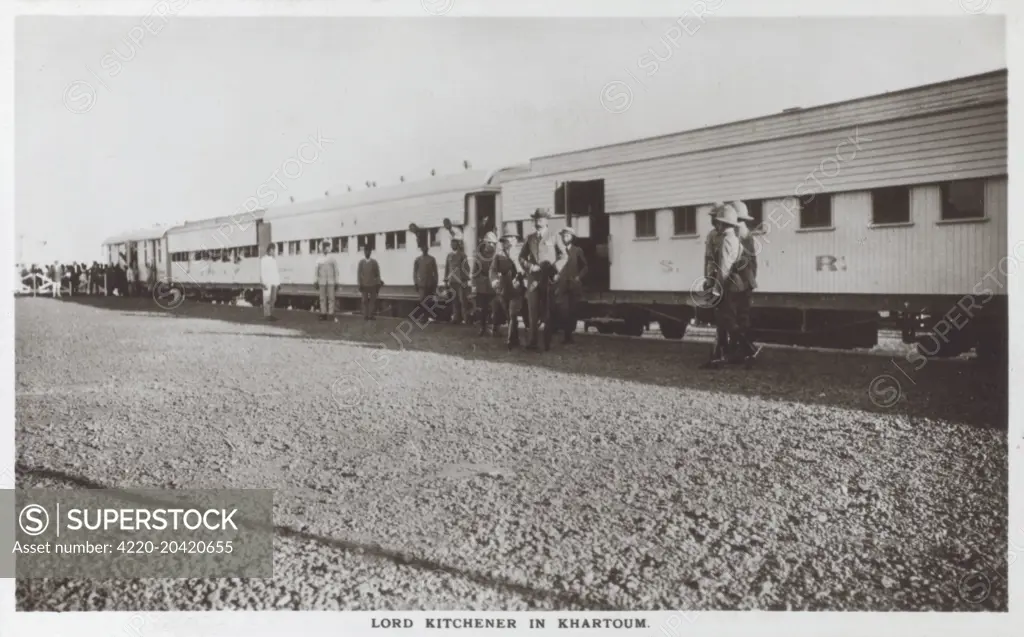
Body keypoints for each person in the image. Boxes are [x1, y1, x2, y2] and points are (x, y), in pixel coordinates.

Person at [518, 208, 565, 351]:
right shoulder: (530, 238)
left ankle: (546, 343)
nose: (538, 222)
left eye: (541, 219)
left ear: (546, 221)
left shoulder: (554, 236)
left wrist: (555, 270)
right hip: (533, 280)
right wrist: (530, 267)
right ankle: (532, 342)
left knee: (547, 311)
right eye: (536, 219)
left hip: (548, 278)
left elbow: (564, 256)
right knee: (532, 311)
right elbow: (521, 257)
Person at [730, 200, 763, 363]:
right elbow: (753, 263)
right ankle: (743, 350)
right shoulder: (747, 233)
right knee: (743, 318)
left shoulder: (735, 234)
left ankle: (743, 350)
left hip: (737, 283)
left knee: (733, 317)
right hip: (747, 282)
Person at [703, 203, 729, 364]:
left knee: (727, 317)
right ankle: (720, 349)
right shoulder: (712, 235)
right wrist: (708, 279)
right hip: (716, 280)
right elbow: (708, 259)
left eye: (715, 217)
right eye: (713, 217)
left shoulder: (730, 235)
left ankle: (724, 350)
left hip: (729, 281)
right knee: (719, 317)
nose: (713, 220)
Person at [490, 232, 525, 349]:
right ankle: (515, 339)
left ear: (515, 241)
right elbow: (493, 270)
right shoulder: (498, 255)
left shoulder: (521, 254)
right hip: (504, 288)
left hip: (517, 287)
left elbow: (524, 271)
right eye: (505, 241)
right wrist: (495, 282)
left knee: (513, 313)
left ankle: (510, 341)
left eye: (510, 240)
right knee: (509, 315)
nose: (508, 243)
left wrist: (515, 261)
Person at [554, 227, 588, 344]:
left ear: (572, 238)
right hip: (561, 285)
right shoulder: (558, 251)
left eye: (567, 236)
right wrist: (555, 276)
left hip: (573, 285)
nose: (565, 238)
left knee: (572, 310)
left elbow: (585, 266)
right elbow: (553, 265)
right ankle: (565, 334)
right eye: (563, 236)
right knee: (563, 310)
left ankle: (569, 335)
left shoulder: (577, 250)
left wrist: (579, 277)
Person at [473, 232, 499, 336]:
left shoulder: (497, 256)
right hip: (482, 286)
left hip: (493, 285)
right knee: (482, 309)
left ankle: (495, 328)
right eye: (489, 243)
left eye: (493, 243)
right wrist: (476, 284)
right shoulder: (479, 256)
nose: (491, 245)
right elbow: (475, 271)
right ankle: (482, 328)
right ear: (485, 243)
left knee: (495, 308)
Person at [443, 230, 470, 325]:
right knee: (454, 301)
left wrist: (465, 279)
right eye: (451, 243)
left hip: (461, 281)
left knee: (463, 300)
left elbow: (466, 268)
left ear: (458, 244)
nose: (453, 244)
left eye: (454, 243)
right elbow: (447, 268)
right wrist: (445, 280)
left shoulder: (462, 255)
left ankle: (465, 319)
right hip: (452, 281)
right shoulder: (449, 256)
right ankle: (456, 318)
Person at [314, 239, 339, 321]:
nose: (325, 249)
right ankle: (323, 314)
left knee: (331, 298)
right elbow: (316, 271)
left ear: (328, 248)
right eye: (324, 247)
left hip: (331, 281)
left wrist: (337, 282)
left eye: (327, 247)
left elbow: (336, 270)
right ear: (322, 248)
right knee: (322, 298)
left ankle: (331, 314)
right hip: (322, 281)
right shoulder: (318, 259)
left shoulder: (332, 258)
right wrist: (315, 281)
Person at [413, 240, 439, 318]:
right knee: (422, 300)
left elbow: (435, 272)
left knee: (430, 301)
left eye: (426, 248)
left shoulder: (432, 259)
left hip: (430, 283)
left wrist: (435, 282)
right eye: (423, 248)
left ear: (428, 249)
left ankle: (429, 316)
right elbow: (415, 272)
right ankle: (423, 316)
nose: (424, 249)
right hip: (421, 284)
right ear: (421, 249)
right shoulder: (418, 259)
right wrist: (416, 282)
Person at [357, 243, 382, 320]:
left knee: (372, 301)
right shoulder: (361, 262)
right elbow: (359, 274)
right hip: (364, 285)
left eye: (368, 251)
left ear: (370, 252)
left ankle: (370, 315)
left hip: (373, 285)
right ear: (364, 252)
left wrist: (378, 283)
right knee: (364, 301)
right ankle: (365, 315)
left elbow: (377, 274)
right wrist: (359, 284)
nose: (367, 253)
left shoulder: (374, 262)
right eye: (365, 251)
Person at [260, 244, 281, 321]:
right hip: (267, 282)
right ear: (269, 250)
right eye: (272, 250)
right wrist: (263, 282)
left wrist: (278, 283)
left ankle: (270, 313)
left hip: (274, 282)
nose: (273, 252)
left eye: (274, 250)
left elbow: (276, 272)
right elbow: (262, 271)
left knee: (273, 298)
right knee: (267, 299)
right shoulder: (263, 260)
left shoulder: (274, 260)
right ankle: (267, 315)